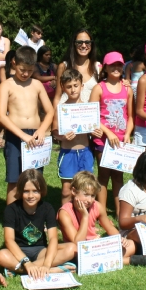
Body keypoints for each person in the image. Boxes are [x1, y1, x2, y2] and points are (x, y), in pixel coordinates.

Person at [0, 46, 55, 204]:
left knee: (35, 180)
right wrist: (22, 135)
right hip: (16, 137)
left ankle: (35, 217)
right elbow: (1, 115)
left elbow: (50, 111)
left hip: (35, 137)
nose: (25, 73)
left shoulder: (36, 84)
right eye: (22, 69)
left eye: (29, 70)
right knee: (14, 181)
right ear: (14, 63)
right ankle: (11, 221)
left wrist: (42, 130)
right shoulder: (6, 85)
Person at [0, 169, 76, 277]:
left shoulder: (47, 208)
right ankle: (51, 270)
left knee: (72, 248)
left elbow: (53, 239)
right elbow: (9, 240)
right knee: (1, 255)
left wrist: (47, 264)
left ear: (41, 191)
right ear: (20, 191)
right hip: (18, 252)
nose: (30, 196)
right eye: (26, 191)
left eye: (35, 191)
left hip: (41, 251)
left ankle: (20, 270)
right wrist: (27, 263)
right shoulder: (11, 209)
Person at [57, 171, 146, 266]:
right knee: (77, 252)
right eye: (86, 195)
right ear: (74, 191)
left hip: (96, 245)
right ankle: (126, 261)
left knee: (131, 244)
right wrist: (85, 217)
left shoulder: (97, 206)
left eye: (93, 195)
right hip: (78, 250)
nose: (89, 200)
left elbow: (109, 228)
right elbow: (77, 243)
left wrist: (119, 239)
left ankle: (102, 260)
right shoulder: (64, 213)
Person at [89, 51, 133, 217]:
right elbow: (91, 115)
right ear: (105, 68)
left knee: (118, 176)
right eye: (112, 65)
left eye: (119, 65)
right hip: (103, 140)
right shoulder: (99, 88)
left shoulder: (127, 89)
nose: (116, 68)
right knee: (103, 176)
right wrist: (108, 133)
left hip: (121, 140)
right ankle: (101, 213)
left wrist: (128, 134)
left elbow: (130, 116)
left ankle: (120, 211)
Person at [53, 69, 95, 205]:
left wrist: (96, 132)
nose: (73, 90)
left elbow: (94, 127)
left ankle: (86, 216)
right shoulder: (60, 109)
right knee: (66, 190)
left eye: (75, 85)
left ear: (82, 86)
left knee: (87, 187)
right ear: (63, 87)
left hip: (85, 151)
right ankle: (65, 217)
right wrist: (63, 137)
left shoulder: (88, 108)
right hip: (68, 153)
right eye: (69, 86)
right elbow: (54, 131)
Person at [54, 29, 99, 104]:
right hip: (66, 112)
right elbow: (57, 97)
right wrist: (55, 115)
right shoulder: (63, 66)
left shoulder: (98, 67)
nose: (84, 45)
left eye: (87, 42)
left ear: (92, 44)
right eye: (79, 42)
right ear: (74, 44)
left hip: (90, 114)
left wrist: (125, 81)